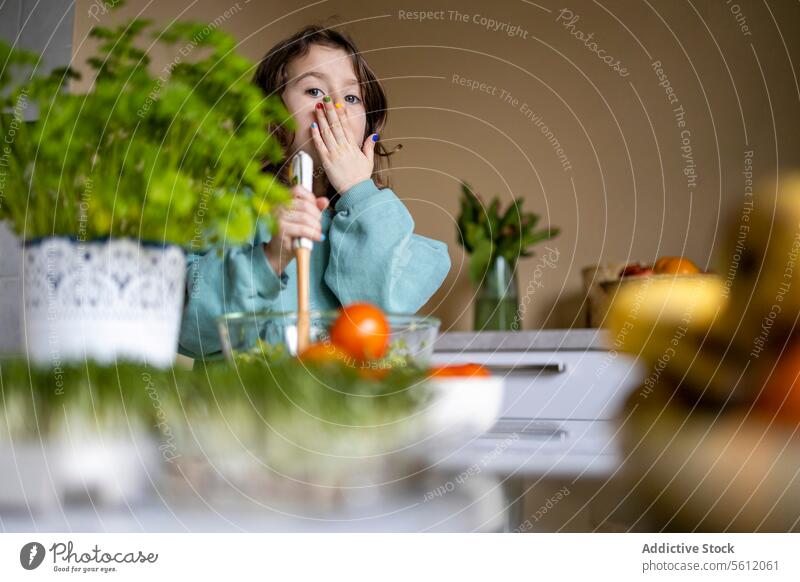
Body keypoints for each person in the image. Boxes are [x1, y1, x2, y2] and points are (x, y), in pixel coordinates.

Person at [178, 25, 451, 359]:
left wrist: (358, 192)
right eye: (314, 91)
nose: (335, 105)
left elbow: (377, 323)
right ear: (269, 116)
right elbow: (193, 335)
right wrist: (270, 257)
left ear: (369, 124)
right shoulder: (228, 214)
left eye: (352, 97)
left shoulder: (384, 229)